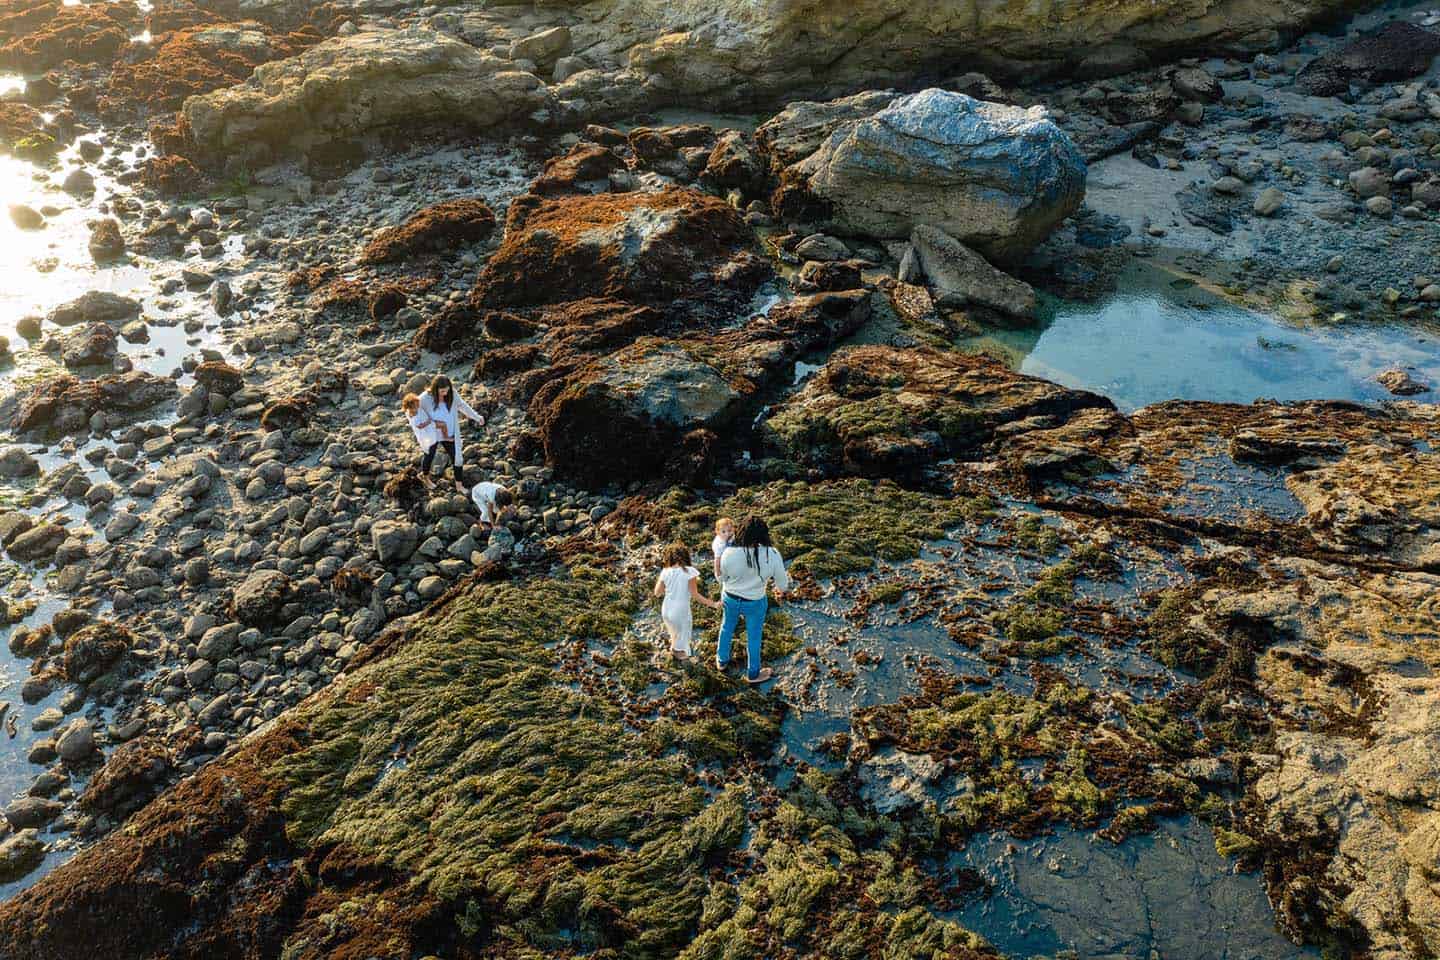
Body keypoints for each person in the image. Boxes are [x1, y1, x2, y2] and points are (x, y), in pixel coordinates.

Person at [716, 516, 789, 684]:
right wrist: (776, 590)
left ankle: (722, 661)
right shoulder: (772, 554)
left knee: (726, 627)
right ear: (764, 535)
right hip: (755, 602)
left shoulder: (728, 553)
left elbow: (722, 579)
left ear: (741, 531)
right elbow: (783, 586)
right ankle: (753, 674)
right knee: (754, 636)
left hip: (730, 598)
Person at [653, 543, 719, 661]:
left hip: (666, 608)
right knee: (683, 632)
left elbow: (657, 593)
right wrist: (713, 604)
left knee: (674, 631)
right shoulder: (689, 571)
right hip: (680, 610)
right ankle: (678, 654)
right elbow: (695, 595)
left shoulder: (665, 571)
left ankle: (674, 649)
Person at [419, 375, 485, 493]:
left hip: (449, 433)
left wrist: (477, 417)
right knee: (429, 455)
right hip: (432, 432)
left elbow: (463, 406)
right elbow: (413, 410)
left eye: (447, 390)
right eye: (442, 391)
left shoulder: (452, 394)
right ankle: (426, 478)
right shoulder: (425, 398)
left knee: (457, 457)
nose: (445, 393)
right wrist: (424, 423)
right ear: (435, 389)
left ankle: (459, 486)